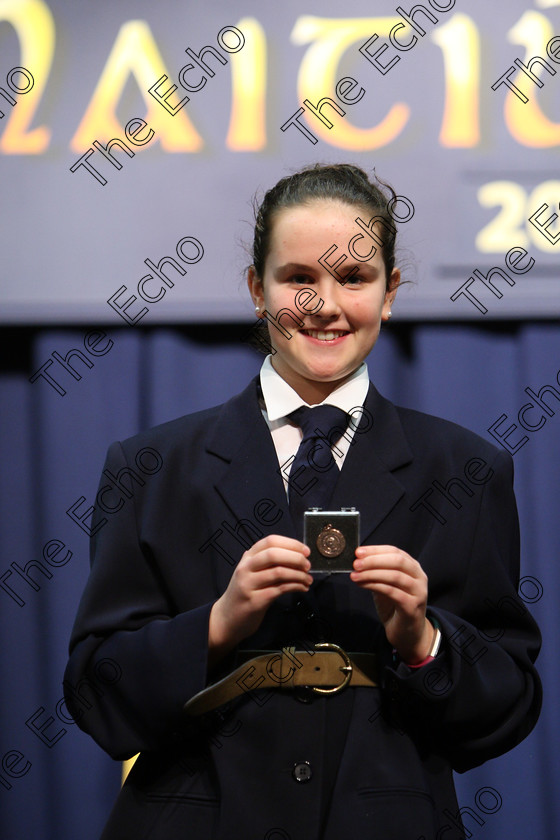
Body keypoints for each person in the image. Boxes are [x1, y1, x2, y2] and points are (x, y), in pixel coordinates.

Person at [64, 163, 542, 840]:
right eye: (299, 279)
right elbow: (95, 694)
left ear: (390, 292)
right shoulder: (152, 467)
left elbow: (508, 709)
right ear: (258, 289)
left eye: (353, 278)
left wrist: (423, 640)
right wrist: (219, 623)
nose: (325, 304)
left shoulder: (466, 468)